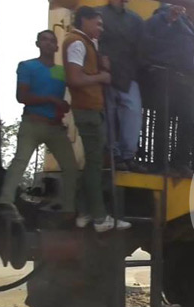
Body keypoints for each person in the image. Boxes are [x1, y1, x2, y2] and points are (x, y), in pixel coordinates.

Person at [0, 30, 78, 221]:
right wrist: (50, 99)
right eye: (44, 40)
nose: (48, 43)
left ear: (56, 47)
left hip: (55, 127)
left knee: (70, 167)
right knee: (20, 161)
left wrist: (63, 105)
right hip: (32, 123)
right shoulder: (27, 66)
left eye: (52, 41)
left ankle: (69, 210)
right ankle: (5, 202)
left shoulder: (62, 72)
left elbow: (69, 95)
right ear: (37, 44)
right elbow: (22, 96)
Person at [64, 6, 131, 232]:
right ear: (84, 20)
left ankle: (84, 212)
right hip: (88, 110)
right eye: (98, 23)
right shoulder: (77, 43)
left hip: (90, 109)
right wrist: (102, 76)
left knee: (93, 163)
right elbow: (74, 79)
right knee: (94, 165)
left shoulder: (85, 43)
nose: (101, 28)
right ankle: (100, 218)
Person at [142, 4, 194, 176]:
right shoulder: (170, 16)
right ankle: (159, 164)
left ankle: (181, 162)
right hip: (168, 74)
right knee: (164, 119)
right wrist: (169, 18)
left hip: (188, 78)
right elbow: (153, 29)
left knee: (187, 121)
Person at [98, 0, 146, 172]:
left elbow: (141, 47)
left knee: (133, 113)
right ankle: (113, 154)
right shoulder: (98, 14)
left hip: (127, 73)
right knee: (108, 115)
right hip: (105, 73)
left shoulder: (136, 19)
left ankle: (128, 155)